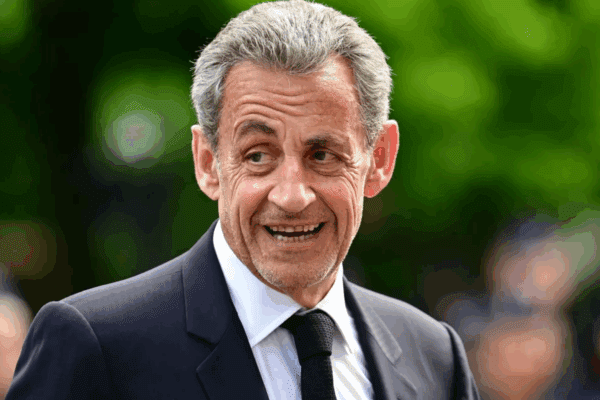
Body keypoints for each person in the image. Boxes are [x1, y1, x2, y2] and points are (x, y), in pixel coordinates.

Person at [6, 1, 481, 399]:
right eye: (258, 155)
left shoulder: (433, 356)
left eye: (322, 155)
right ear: (208, 163)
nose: (292, 196)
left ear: (379, 159)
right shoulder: (98, 348)